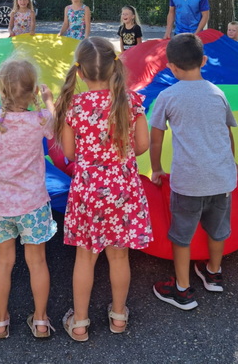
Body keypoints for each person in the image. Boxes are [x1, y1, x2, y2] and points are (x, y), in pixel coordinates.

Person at [53, 37, 152, 341]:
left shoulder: (74, 106)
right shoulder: (131, 101)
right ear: (114, 68)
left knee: (85, 258)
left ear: (80, 72)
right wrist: (121, 155)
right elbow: (143, 145)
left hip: (88, 189)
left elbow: (69, 153)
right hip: (123, 187)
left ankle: (80, 323)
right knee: (119, 257)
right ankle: (119, 317)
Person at [149, 34, 238, 310]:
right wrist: (232, 162)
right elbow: (227, 133)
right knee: (218, 230)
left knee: (181, 236)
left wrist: (156, 169)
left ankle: (182, 289)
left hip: (187, 182)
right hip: (222, 179)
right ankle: (213, 273)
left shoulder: (167, 96)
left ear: (171, 67)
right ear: (204, 61)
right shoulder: (217, 93)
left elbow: (155, 139)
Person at [0, 59, 57, 339]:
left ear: (0, 90)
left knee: (3, 262)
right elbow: (55, 125)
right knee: (37, 262)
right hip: (33, 205)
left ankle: (0, 321)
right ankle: (41, 321)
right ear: (33, 91)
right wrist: (48, 101)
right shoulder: (40, 119)